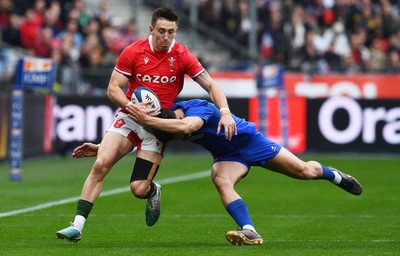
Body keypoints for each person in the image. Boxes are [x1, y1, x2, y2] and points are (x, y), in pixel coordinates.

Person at [72, 99, 363, 246]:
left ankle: (336, 176)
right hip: (227, 155)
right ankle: (249, 230)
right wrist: (101, 148)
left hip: (252, 143)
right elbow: (143, 141)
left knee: (304, 172)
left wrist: (150, 119)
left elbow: (187, 128)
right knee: (221, 179)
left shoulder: (198, 110)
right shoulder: (167, 123)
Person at [56, 7, 236, 243]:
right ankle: (77, 226)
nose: (166, 37)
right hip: (130, 115)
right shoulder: (133, 51)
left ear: (176, 31)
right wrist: (133, 108)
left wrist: (225, 112)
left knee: (138, 189)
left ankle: (153, 191)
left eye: (171, 32)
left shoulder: (182, 55)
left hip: (159, 124)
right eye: (161, 31)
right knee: (101, 164)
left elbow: (211, 85)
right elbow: (113, 88)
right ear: (151, 29)